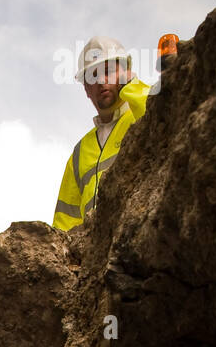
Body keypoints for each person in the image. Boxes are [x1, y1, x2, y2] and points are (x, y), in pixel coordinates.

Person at [53, 36, 152, 232]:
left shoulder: (140, 111)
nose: (100, 81)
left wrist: (132, 87)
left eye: (108, 72)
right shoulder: (79, 153)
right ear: (86, 90)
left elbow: (163, 116)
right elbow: (63, 226)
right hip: (96, 254)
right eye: (92, 76)